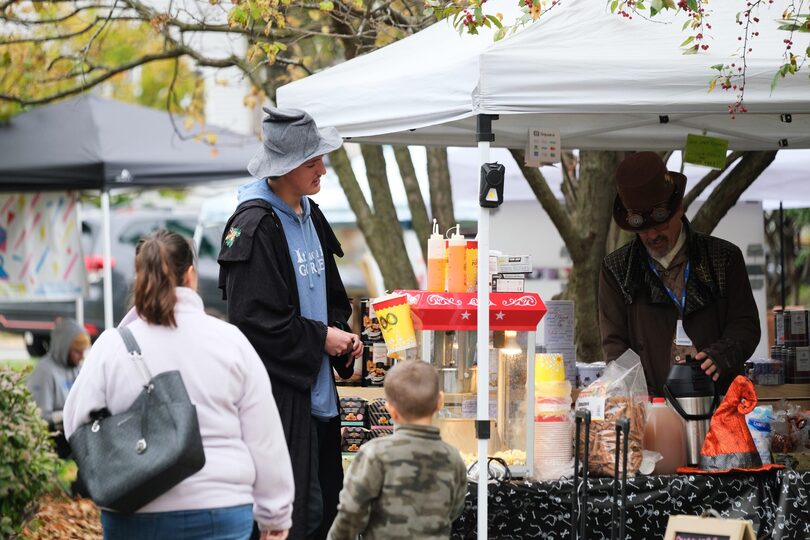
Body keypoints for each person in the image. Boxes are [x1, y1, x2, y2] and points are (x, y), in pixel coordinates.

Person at [63, 229, 294, 540]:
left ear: (140, 277)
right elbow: (263, 436)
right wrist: (275, 514)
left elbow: (74, 422)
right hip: (222, 506)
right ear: (191, 275)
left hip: (134, 507)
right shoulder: (230, 341)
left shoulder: (112, 346)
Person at [218, 107, 363, 540]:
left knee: (325, 516)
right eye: (312, 161)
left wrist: (341, 337)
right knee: (292, 521)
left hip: (321, 403)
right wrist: (322, 338)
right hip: (280, 406)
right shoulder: (254, 226)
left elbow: (334, 297)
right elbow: (254, 322)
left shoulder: (312, 215)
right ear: (283, 169)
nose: (323, 167)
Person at [599, 151, 761, 396]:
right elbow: (614, 344)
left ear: (679, 209)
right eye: (643, 230)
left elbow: (745, 325)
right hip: (652, 405)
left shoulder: (724, 257)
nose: (653, 235)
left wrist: (721, 355)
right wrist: (637, 398)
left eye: (660, 224)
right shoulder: (617, 269)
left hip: (719, 403)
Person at [327, 360, 468, 540]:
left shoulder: (373, 454)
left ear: (390, 409)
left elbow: (351, 514)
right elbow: (455, 509)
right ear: (440, 402)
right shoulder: (453, 458)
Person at [27, 318, 90, 458]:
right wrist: (67, 415)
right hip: (54, 438)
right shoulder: (45, 371)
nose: (81, 356)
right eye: (77, 352)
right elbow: (40, 417)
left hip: (73, 431)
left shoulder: (75, 368)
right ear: (64, 347)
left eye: (83, 352)